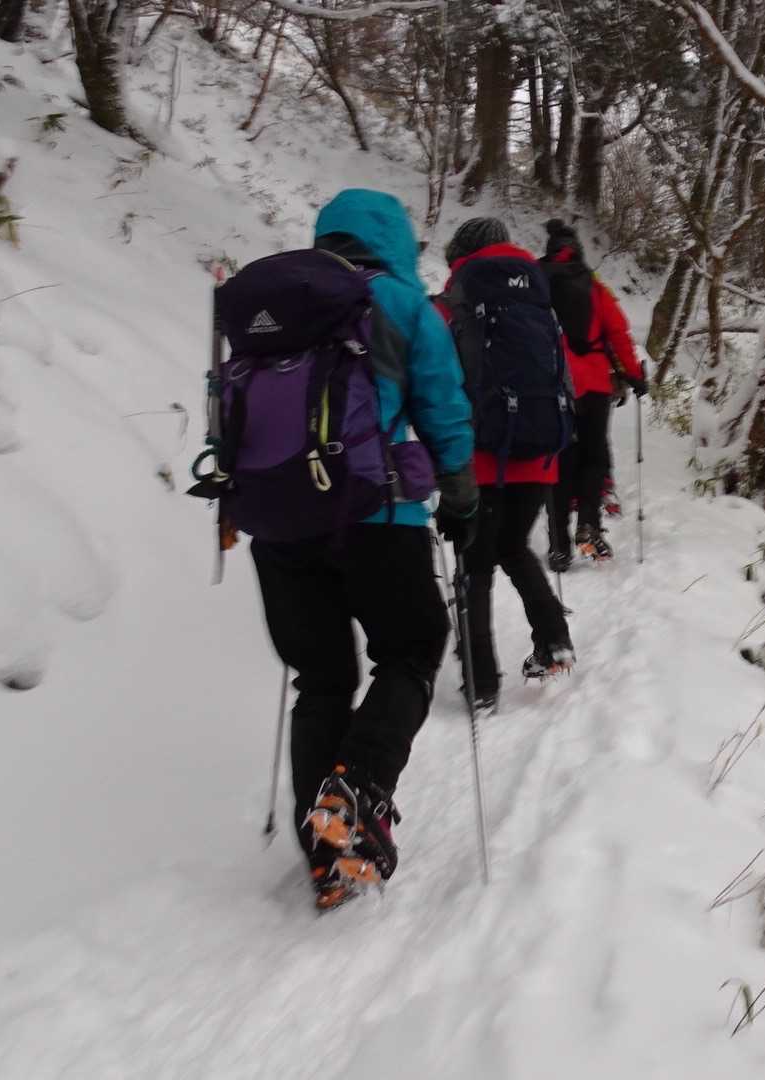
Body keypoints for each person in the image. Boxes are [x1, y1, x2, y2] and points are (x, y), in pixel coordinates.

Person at [248, 189, 478, 911]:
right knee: (412, 650)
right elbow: (442, 407)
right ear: (397, 242)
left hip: (278, 523)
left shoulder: (279, 300)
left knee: (321, 681)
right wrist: (461, 496)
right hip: (376, 517)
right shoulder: (404, 305)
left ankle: (325, 857)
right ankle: (358, 791)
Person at [436, 217, 575, 712]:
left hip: (479, 458)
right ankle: (554, 640)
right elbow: (563, 376)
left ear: (461, 253)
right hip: (539, 454)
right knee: (514, 547)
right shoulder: (537, 296)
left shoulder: (457, 298)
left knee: (474, 565)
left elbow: (438, 379)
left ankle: (481, 683)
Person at [539, 218, 646, 569]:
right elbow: (618, 331)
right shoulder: (593, 284)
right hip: (593, 385)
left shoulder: (534, 282)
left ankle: (558, 546)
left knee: (559, 461)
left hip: (552, 385)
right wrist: (634, 374)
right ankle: (589, 525)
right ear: (578, 250)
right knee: (594, 456)